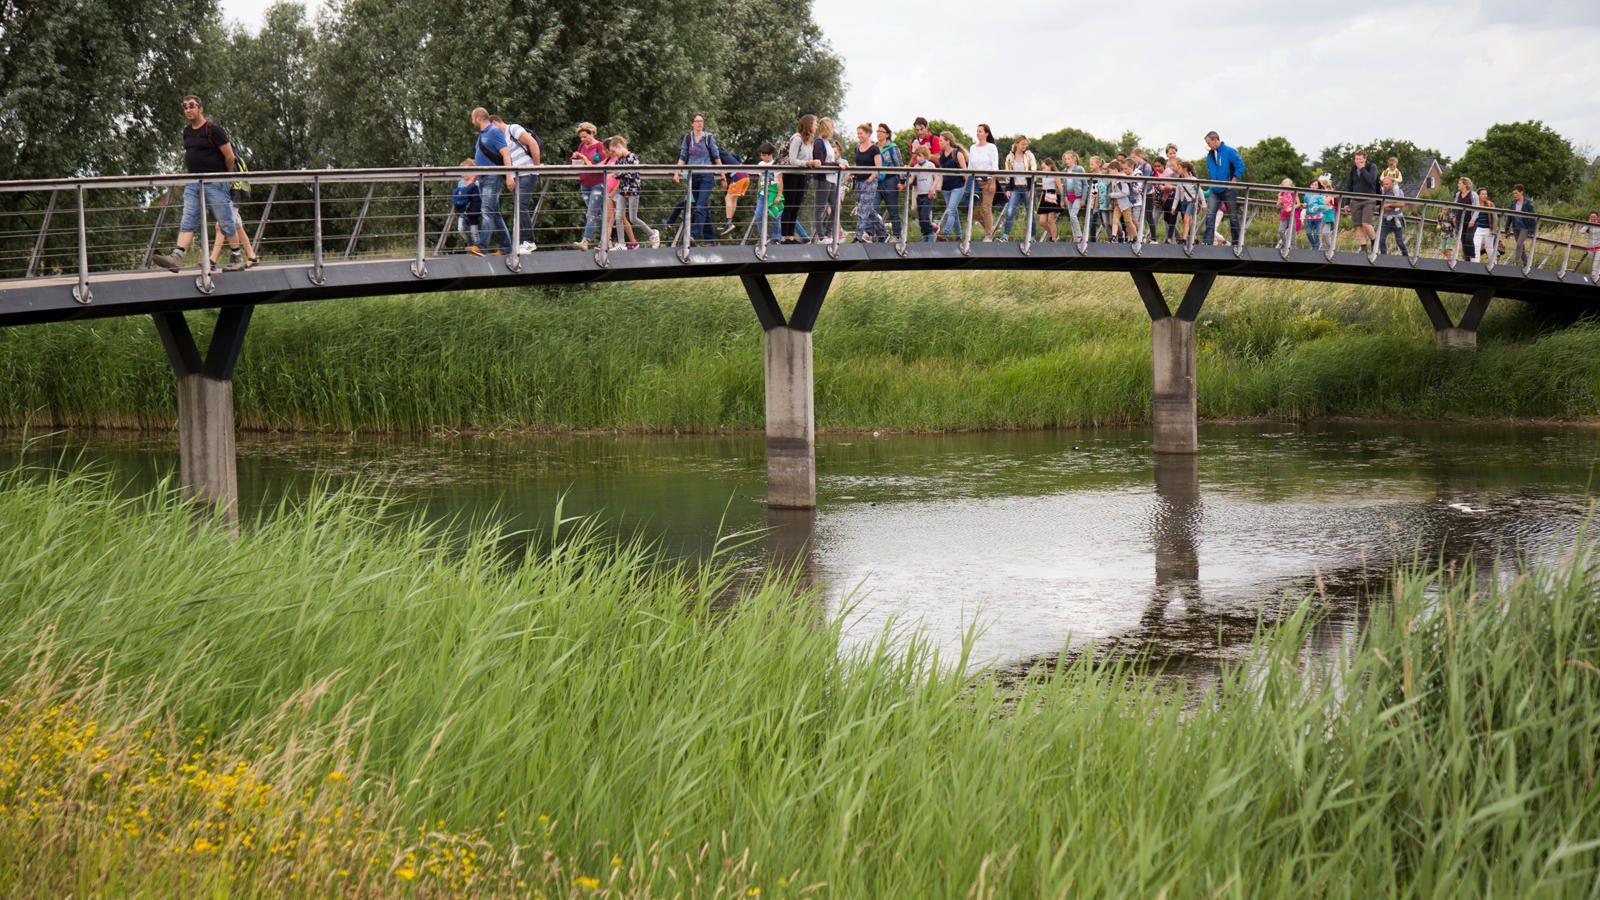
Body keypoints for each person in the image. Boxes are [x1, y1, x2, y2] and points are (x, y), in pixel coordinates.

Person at [148, 95, 247, 272]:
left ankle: (236, 257)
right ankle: (176, 257)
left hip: (215, 183)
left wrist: (228, 177)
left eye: (192, 106)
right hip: (193, 183)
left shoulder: (214, 129)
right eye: (185, 107)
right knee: (188, 218)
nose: (188, 110)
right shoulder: (187, 131)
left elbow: (229, 156)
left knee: (225, 220)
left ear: (200, 108)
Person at [464, 107, 514, 256]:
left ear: (479, 118)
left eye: (473, 119)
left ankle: (481, 246)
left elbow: (506, 154)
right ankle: (505, 248)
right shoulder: (481, 135)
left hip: (493, 176)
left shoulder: (494, 131)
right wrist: (473, 180)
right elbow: (481, 161)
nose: (472, 121)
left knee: (486, 210)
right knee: (494, 212)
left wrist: (509, 175)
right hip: (483, 177)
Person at [492, 115, 542, 254]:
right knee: (518, 207)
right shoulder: (502, 138)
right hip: (518, 176)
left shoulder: (513, 128)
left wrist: (536, 168)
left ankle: (529, 241)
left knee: (521, 206)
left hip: (527, 173)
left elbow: (533, 143)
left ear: (495, 122)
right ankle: (523, 242)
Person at [673, 113, 720, 246]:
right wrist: (677, 172)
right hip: (692, 176)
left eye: (701, 121)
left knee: (700, 206)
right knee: (702, 206)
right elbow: (683, 156)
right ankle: (710, 240)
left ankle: (693, 236)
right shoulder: (688, 138)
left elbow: (716, 156)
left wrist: (722, 175)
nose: (699, 123)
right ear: (692, 123)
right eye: (697, 121)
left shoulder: (708, 137)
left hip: (706, 175)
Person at [605, 136, 657, 249]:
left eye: (614, 151)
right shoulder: (620, 159)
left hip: (633, 190)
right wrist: (616, 174)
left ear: (619, 146)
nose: (614, 154)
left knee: (633, 218)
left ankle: (652, 233)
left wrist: (618, 174)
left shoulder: (632, 157)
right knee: (618, 216)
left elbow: (632, 173)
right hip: (623, 191)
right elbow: (621, 172)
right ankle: (621, 243)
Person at [209, 155, 259, 269]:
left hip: (232, 195)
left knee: (221, 226)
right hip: (234, 195)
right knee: (238, 227)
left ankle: (212, 260)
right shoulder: (234, 157)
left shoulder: (228, 158)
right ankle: (252, 257)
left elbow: (230, 181)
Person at [781, 115, 821, 242]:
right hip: (792, 176)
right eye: (815, 124)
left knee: (796, 207)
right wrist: (809, 163)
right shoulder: (797, 138)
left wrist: (813, 163)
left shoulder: (809, 141)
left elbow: (806, 159)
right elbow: (792, 160)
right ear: (809, 125)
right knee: (789, 205)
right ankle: (784, 237)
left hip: (802, 176)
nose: (816, 127)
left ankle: (791, 236)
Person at [1201, 131, 1244, 246]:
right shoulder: (1210, 155)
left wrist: (1232, 182)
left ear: (1215, 140)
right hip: (1214, 189)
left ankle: (1236, 242)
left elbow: (1240, 166)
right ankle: (1207, 241)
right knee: (1210, 215)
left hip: (1227, 189)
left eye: (1209, 143)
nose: (1208, 145)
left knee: (1233, 216)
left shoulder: (1229, 151)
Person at [569, 122, 608, 250]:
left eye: (585, 136)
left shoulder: (600, 146)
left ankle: (586, 241)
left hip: (597, 184)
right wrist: (574, 157)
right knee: (597, 213)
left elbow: (604, 163)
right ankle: (607, 240)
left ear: (592, 133)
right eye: (581, 137)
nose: (583, 140)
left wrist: (585, 158)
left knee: (591, 213)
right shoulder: (581, 146)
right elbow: (574, 163)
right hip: (584, 183)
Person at [1343, 150, 1381, 253]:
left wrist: (1362, 169)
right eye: (1356, 159)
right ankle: (1364, 248)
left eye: (1360, 159)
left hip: (1369, 199)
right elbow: (1349, 186)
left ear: (1365, 159)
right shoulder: (1353, 169)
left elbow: (1371, 180)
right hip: (1356, 199)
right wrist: (1346, 203)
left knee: (1365, 223)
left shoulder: (1372, 167)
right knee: (1358, 225)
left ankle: (1374, 242)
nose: (1358, 161)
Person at [1000, 134, 1036, 241]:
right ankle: (1005, 236)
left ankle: (1032, 237)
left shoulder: (1029, 156)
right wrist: (1008, 189)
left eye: (1025, 144)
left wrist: (1031, 189)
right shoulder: (1010, 157)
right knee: (1010, 211)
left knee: (1030, 212)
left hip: (1026, 187)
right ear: (1017, 144)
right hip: (1015, 187)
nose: (1024, 146)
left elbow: (1033, 171)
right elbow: (1008, 174)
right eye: (1022, 144)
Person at [968, 124, 999, 240]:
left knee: (986, 208)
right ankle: (989, 227)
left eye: (980, 131)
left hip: (988, 180)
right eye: (977, 131)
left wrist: (993, 182)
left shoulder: (991, 147)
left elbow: (994, 166)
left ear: (986, 133)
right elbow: (970, 166)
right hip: (976, 181)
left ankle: (988, 235)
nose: (978, 133)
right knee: (974, 210)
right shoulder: (973, 147)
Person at [852, 123, 882, 241]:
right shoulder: (858, 147)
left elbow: (878, 168)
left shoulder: (874, 148)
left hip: (870, 181)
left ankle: (858, 236)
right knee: (868, 210)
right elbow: (857, 163)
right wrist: (850, 173)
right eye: (858, 134)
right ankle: (883, 232)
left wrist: (869, 180)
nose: (859, 136)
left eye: (861, 133)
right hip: (859, 181)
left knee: (863, 210)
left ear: (868, 134)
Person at [937, 132, 968, 240]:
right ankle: (959, 236)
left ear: (948, 141)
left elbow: (965, 170)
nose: (939, 143)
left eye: (941, 140)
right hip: (946, 187)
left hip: (957, 186)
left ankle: (946, 233)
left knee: (950, 210)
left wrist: (966, 186)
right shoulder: (941, 155)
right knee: (953, 211)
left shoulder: (957, 153)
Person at [875, 124, 904, 240]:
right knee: (873, 208)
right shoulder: (874, 147)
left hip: (890, 180)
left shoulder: (892, 147)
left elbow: (899, 164)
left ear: (887, 134)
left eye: (882, 131)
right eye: (878, 131)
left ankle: (897, 235)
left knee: (892, 209)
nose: (879, 133)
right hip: (876, 181)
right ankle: (880, 233)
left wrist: (902, 180)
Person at [754, 142, 784, 238]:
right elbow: (760, 180)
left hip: (773, 191)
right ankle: (764, 237)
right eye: (761, 155)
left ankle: (776, 237)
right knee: (758, 214)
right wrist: (758, 194)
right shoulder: (760, 164)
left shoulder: (776, 164)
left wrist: (779, 195)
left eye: (764, 155)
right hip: (763, 192)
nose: (762, 157)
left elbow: (780, 181)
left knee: (775, 216)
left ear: (771, 155)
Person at [451, 160, 481, 253]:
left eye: (465, 172)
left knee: (474, 231)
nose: (463, 175)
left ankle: (478, 247)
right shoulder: (460, 183)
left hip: (473, 210)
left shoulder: (477, 183)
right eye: (461, 172)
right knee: (460, 229)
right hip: (463, 210)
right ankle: (471, 244)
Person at [717, 147, 748, 237]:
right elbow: (737, 156)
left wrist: (724, 177)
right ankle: (728, 221)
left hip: (738, 177)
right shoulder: (724, 153)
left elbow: (718, 165)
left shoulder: (715, 154)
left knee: (728, 198)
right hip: (745, 175)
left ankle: (728, 222)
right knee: (733, 199)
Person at [912, 145, 939, 240]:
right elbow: (911, 179)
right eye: (917, 156)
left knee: (924, 215)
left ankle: (931, 231)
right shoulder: (916, 166)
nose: (918, 158)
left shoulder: (930, 165)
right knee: (920, 217)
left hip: (928, 193)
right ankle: (925, 234)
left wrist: (932, 189)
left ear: (925, 155)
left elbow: (936, 178)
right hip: (920, 193)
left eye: (920, 156)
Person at [1378, 176, 1408, 255]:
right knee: (1381, 240)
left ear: (1391, 185)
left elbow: (1401, 204)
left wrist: (1389, 205)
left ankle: (1406, 257)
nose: (1385, 186)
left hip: (1396, 218)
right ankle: (1383, 257)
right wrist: (1384, 207)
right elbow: (1376, 206)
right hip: (1386, 218)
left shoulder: (1398, 192)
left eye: (1387, 184)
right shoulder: (1382, 193)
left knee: (1399, 241)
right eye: (1384, 184)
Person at [1508, 184, 1536, 266]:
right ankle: (1526, 264)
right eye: (1514, 193)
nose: (1515, 195)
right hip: (1516, 227)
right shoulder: (1513, 203)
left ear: (1521, 192)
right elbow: (1510, 216)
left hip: (1524, 227)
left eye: (1516, 193)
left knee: (1519, 244)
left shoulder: (1528, 203)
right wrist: (1507, 228)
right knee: (1521, 247)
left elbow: (1532, 216)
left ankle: (1515, 263)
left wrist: (1532, 231)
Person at [1453, 177, 1480, 261]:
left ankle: (1473, 256)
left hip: (1471, 220)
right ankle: (1467, 260)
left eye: (1460, 183)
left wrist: (1473, 220)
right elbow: (1454, 205)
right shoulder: (1458, 194)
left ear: (1465, 185)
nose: (1458, 184)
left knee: (1469, 239)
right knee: (1463, 241)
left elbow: (1476, 207)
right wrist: (1453, 215)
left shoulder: (1473, 194)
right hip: (1460, 220)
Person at [1036, 158, 1062, 242]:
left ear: (1050, 166)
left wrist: (1063, 200)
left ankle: (1053, 239)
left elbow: (1060, 189)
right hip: (1045, 196)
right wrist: (1039, 203)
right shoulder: (1044, 177)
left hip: (1053, 197)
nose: (1043, 170)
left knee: (1050, 219)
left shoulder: (1055, 176)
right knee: (1042, 221)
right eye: (1042, 168)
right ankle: (1054, 234)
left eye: (1044, 167)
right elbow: (1043, 190)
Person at [1472, 188, 1498, 263]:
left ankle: (1493, 263)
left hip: (1488, 229)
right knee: (1476, 245)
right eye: (1482, 194)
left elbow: (1494, 218)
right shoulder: (1475, 204)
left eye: (1485, 194)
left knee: (1489, 248)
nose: (1484, 196)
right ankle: (1476, 262)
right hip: (1478, 228)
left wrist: (1494, 229)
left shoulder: (1490, 204)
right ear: (1478, 195)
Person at [1303, 177, 1327, 251]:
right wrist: (1305, 204)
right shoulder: (1307, 194)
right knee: (1308, 232)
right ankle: (1313, 245)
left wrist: (1318, 206)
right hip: (1309, 215)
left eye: (1315, 185)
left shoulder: (1319, 195)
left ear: (1318, 186)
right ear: (1310, 185)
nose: (1313, 186)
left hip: (1317, 216)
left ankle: (1316, 248)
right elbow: (1305, 202)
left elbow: (1323, 206)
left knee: (1316, 232)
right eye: (1312, 184)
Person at [1277, 179, 1298, 250]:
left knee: (1292, 232)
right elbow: (1278, 206)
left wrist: (1291, 208)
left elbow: (1298, 204)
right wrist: (1279, 201)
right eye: (1284, 186)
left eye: (1287, 186)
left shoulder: (1293, 193)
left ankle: (1293, 248)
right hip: (1285, 214)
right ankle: (1287, 245)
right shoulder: (1281, 194)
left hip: (1292, 213)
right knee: (1281, 230)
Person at [1581, 210, 1600, 278]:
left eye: (1594, 217)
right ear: (1589, 217)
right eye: (1592, 217)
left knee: (1595, 266)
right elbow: (1582, 231)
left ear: (1597, 217)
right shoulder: (1588, 225)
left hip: (1599, 247)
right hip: (1590, 247)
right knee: (1593, 265)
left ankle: (1593, 280)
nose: (1593, 218)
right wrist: (1588, 224)